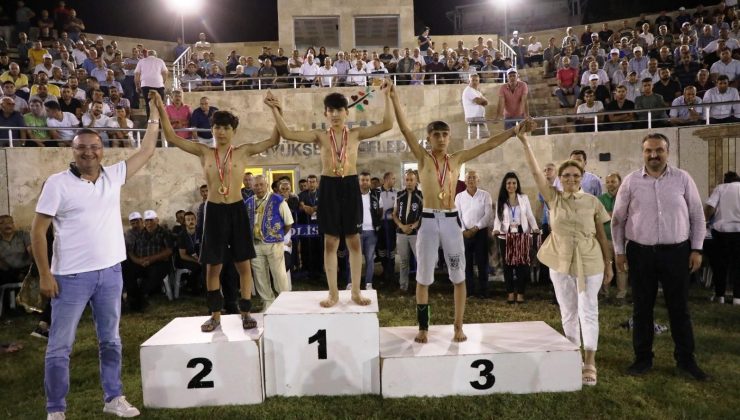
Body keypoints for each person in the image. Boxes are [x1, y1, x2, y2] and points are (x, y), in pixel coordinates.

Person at [30, 95, 158, 418]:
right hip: (70, 277)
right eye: (82, 147)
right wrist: (45, 275)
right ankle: (56, 409)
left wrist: (155, 116)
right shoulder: (57, 185)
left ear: (103, 150)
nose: (89, 152)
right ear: (72, 151)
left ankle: (113, 397)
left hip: (110, 274)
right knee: (60, 346)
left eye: (94, 147)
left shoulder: (113, 176)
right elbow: (37, 232)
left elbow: (146, 151)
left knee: (111, 340)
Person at [391, 84, 520, 344]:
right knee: (424, 277)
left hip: (451, 221)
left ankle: (458, 326)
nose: (441, 138)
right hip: (427, 221)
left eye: (444, 134)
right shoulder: (424, 159)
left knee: (458, 276)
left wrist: (514, 131)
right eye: (436, 134)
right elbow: (405, 130)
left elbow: (488, 145)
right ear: (428, 138)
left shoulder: (457, 159)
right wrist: (394, 98)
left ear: (449, 138)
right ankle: (423, 327)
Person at [152, 91, 280, 332]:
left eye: (225, 128)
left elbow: (273, 140)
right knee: (213, 266)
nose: (221, 132)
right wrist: (160, 107)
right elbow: (171, 136)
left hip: (236, 210)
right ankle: (215, 315)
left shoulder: (242, 152)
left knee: (243, 264)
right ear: (212, 129)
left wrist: (275, 110)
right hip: (213, 212)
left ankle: (245, 312)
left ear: (233, 131)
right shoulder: (204, 152)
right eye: (217, 127)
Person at [264, 81, 394, 307]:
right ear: (326, 113)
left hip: (350, 185)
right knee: (331, 242)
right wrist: (275, 110)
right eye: (330, 110)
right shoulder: (320, 136)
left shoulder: (355, 134)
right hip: (329, 187)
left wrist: (388, 96)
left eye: (339, 110)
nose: (335, 114)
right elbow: (287, 133)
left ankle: (355, 291)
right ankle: (333, 293)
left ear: (346, 112)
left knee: (354, 241)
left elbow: (387, 123)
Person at [515, 123, 612, 386]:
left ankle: (590, 362)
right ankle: (573, 356)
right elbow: (536, 173)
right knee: (568, 311)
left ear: (582, 178)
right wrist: (525, 142)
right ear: (560, 178)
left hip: (591, 261)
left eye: (575, 176)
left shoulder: (593, 202)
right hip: (559, 259)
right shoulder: (554, 198)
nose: (570, 179)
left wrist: (610, 263)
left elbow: (602, 236)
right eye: (566, 176)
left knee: (588, 309)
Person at [611, 133, 709, 381]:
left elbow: (697, 215)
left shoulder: (683, 179)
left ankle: (686, 361)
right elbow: (617, 220)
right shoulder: (631, 181)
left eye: (659, 150)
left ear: (667, 152)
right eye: (648, 151)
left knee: (680, 309)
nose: (654, 155)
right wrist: (620, 252)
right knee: (642, 309)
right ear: (642, 153)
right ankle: (642, 360)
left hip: (677, 253)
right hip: (641, 253)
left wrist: (696, 249)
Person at [246, 175, 293, 309]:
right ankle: (268, 303)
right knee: (260, 277)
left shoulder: (278, 200)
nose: (259, 188)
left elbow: (288, 223)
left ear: (267, 185)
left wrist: (278, 236)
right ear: (252, 187)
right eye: (256, 185)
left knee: (279, 274)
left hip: (274, 244)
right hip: (255, 245)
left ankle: (284, 302)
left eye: (261, 184)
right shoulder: (248, 202)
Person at [492, 172, 539, 304]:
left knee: (522, 264)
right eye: (508, 183)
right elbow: (498, 218)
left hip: (521, 233)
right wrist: (495, 229)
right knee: (507, 265)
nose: (511, 185)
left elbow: (529, 215)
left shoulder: (524, 198)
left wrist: (534, 227)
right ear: (505, 185)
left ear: (517, 185)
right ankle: (510, 293)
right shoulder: (501, 200)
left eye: (514, 183)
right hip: (505, 235)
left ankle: (520, 293)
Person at [455, 170, 493, 300]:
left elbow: (488, 215)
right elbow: (457, 215)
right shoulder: (459, 197)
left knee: (482, 263)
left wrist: (476, 228)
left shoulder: (485, 195)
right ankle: (469, 291)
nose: (471, 180)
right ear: (464, 181)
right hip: (464, 233)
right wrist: (464, 230)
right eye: (468, 178)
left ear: (478, 180)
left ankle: (484, 291)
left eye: (473, 177)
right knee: (467, 263)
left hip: (480, 232)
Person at [704, 171, 740, 306]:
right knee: (738, 266)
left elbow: (710, 208)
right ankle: (738, 298)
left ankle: (720, 296)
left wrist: (706, 220)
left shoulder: (721, 188)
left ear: (726, 180)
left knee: (720, 266)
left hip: (722, 232)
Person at [597, 173, 628, 304]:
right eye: (608, 181)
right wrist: (615, 215)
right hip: (606, 238)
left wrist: (610, 214)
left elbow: (627, 215)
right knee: (604, 265)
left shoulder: (625, 198)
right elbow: (599, 216)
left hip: (623, 239)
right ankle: (605, 293)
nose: (610, 184)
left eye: (613, 181)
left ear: (620, 183)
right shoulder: (600, 199)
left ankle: (621, 295)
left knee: (622, 267)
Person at [393, 170, 423, 293]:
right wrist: (401, 225)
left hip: (415, 234)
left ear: (416, 181)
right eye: (407, 180)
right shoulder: (399, 195)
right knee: (404, 261)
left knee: (420, 260)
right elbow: (394, 214)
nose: (409, 182)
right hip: (401, 233)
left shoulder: (421, 196)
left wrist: (414, 226)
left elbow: (424, 214)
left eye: (411, 180)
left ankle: (420, 287)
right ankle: (403, 286)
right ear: (404, 181)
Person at [355, 172, 380, 290]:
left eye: (367, 180)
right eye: (362, 180)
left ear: (370, 182)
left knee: (370, 259)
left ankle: (368, 283)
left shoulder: (376, 195)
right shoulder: (353, 196)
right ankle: (352, 283)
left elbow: (380, 211)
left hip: (371, 232)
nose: (365, 182)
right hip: (357, 232)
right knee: (354, 259)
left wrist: (376, 224)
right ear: (359, 181)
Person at [0, 215, 32, 286]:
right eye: (2, 223)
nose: (7, 225)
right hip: (7, 272)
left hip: (27, 269)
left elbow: (32, 252)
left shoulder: (23, 235)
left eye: (10, 222)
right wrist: (14, 273)